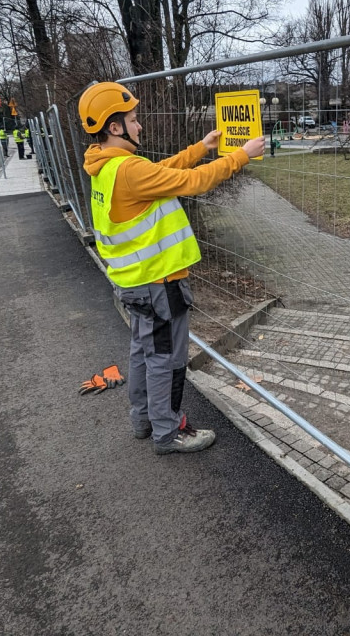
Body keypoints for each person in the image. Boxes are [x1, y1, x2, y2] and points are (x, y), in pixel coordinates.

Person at [79, 81, 265, 455]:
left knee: (143, 353)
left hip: (133, 284)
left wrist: (202, 148)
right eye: (133, 120)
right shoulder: (128, 170)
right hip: (158, 283)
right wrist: (240, 156)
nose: (139, 126)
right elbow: (191, 183)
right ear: (114, 127)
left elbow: (162, 172)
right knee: (167, 360)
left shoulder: (107, 166)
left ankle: (143, 420)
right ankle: (168, 433)